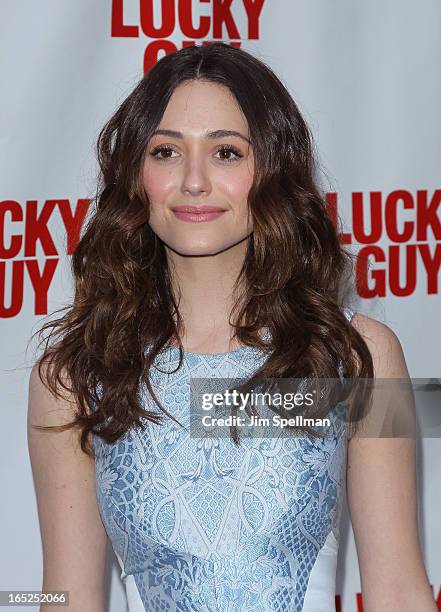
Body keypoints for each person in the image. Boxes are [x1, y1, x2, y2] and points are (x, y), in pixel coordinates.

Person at [27, 43, 437, 612]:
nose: (194, 181)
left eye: (225, 152)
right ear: (135, 174)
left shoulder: (356, 356)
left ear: (272, 167)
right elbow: (65, 597)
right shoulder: (73, 376)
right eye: (167, 151)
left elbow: (399, 592)